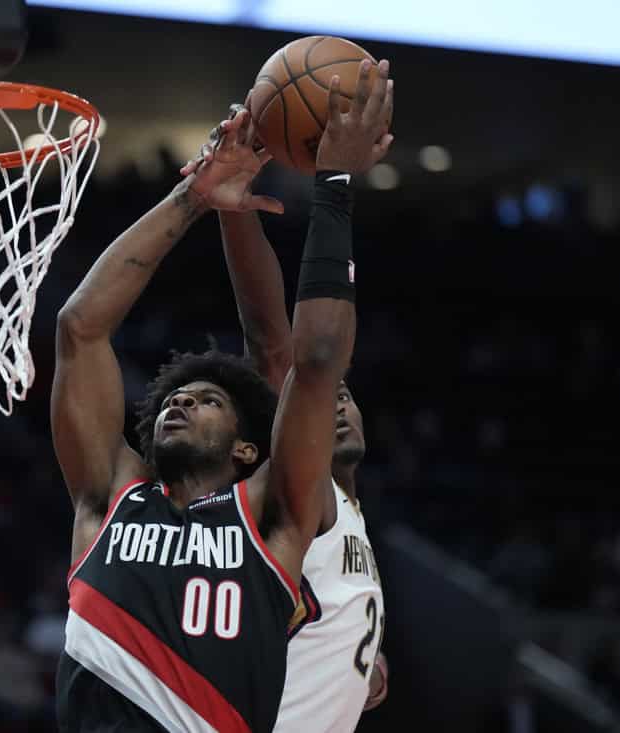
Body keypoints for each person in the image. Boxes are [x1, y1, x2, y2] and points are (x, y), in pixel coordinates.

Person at [51, 60, 394, 732]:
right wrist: (197, 198)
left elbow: (312, 361)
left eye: (205, 399)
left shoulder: (276, 516)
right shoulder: (112, 498)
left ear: (248, 443)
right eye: (175, 399)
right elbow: (78, 328)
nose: (180, 403)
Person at [180, 89, 394, 729]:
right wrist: (234, 213)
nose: (337, 403)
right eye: (331, 393)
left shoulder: (347, 514)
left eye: (347, 396)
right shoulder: (298, 494)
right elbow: (278, 344)